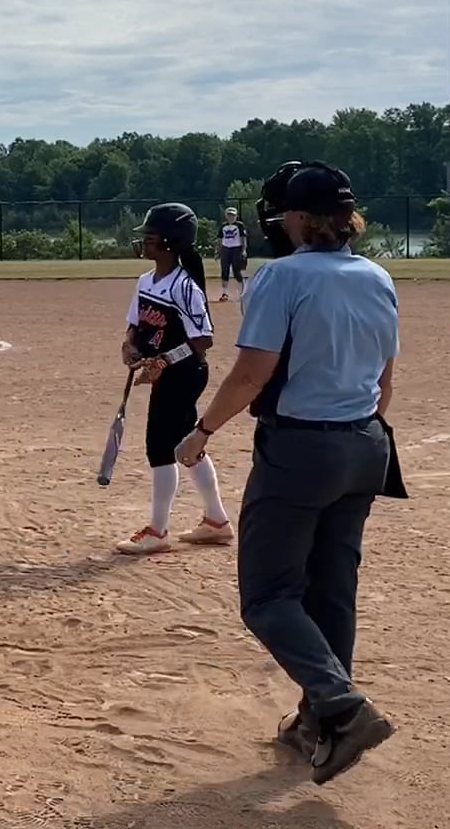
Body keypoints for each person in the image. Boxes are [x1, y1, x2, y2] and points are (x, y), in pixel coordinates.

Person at [172, 161, 404, 786]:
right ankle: (317, 723)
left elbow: (252, 374)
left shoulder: (281, 276)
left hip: (302, 449)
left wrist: (202, 432)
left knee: (269, 596)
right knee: (331, 592)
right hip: (366, 445)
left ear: (299, 218)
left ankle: (344, 708)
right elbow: (385, 382)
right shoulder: (377, 276)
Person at [114, 202, 234, 555]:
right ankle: (216, 521)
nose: (144, 242)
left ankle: (158, 531)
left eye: (150, 236)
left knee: (160, 448)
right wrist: (130, 345)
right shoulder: (145, 281)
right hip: (166, 373)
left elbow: (202, 340)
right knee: (185, 446)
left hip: (185, 374)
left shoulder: (184, 286)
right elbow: (136, 324)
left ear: (170, 242)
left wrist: (165, 360)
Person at [217, 206, 248, 302]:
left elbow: (243, 238)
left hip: (236, 249)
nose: (231, 217)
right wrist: (218, 251)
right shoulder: (223, 226)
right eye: (229, 215)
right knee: (224, 271)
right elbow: (220, 239)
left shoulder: (239, 225)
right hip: (226, 249)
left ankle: (243, 292)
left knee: (236, 271)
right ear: (226, 216)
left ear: (236, 216)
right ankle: (225, 293)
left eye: (233, 215)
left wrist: (244, 250)